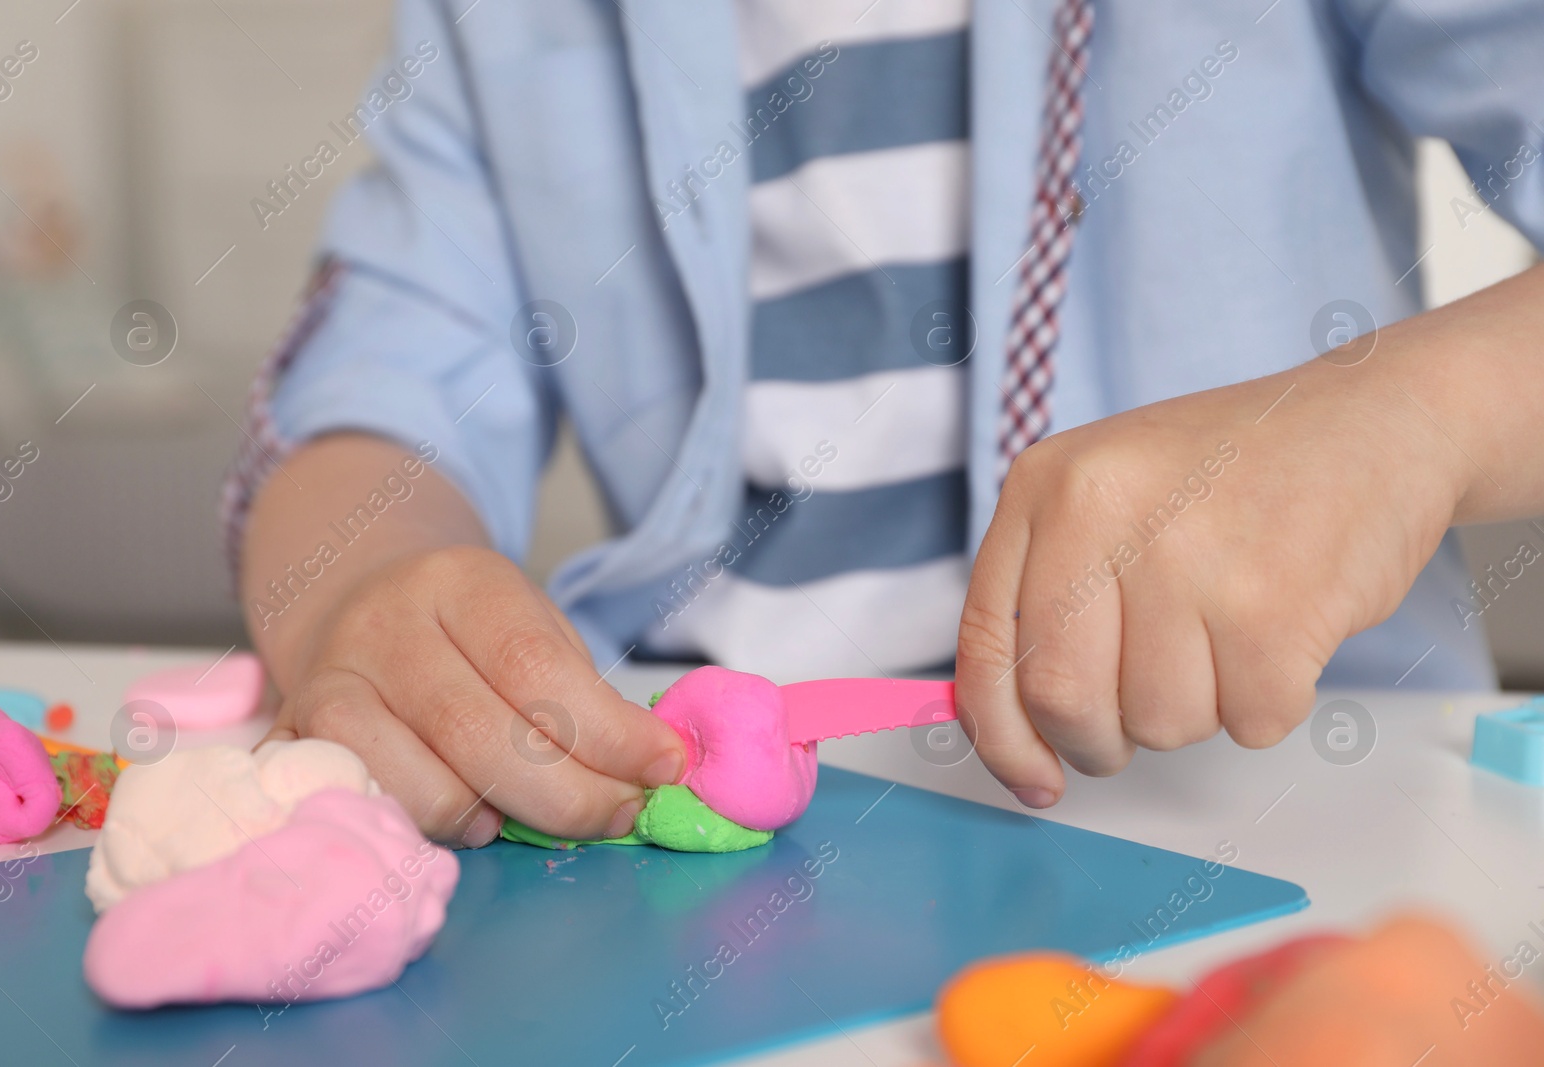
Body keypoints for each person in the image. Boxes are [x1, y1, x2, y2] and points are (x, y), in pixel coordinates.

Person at [224, 0, 1544, 846]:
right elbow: (382, 379)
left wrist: (1408, 419)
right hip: (691, 843)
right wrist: (365, 589)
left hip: (1301, 809)